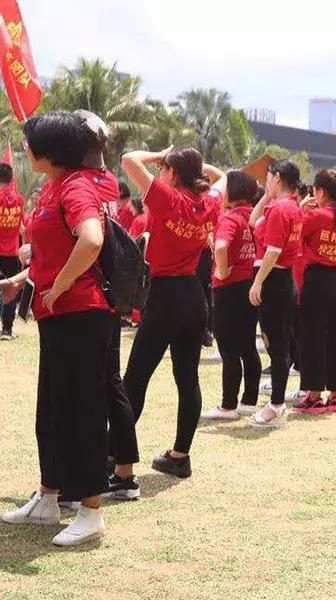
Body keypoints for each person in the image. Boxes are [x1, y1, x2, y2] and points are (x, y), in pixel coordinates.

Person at [0, 112, 112, 545]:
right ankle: (49, 495)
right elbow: (53, 249)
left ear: (48, 150)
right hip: (58, 315)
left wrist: (61, 284)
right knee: (52, 407)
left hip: (82, 313)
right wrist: (23, 280)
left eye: (30, 142)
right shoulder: (53, 187)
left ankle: (90, 510)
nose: (26, 147)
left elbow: (91, 240)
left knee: (82, 408)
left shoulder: (78, 187)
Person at [121, 146, 223, 479]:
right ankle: (180, 456)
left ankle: (113, 457)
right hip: (193, 297)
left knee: (135, 379)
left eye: (165, 168)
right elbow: (223, 177)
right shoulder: (208, 203)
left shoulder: (168, 198)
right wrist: (191, 166)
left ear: (172, 173)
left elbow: (128, 160)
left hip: (164, 296)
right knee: (187, 378)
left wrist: (158, 154)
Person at [77, 110, 141, 500]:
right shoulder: (107, 182)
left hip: (94, 295)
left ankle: (115, 470)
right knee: (112, 381)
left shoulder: (87, 184)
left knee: (102, 384)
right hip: (110, 293)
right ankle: (124, 469)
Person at [290, 170, 336, 414]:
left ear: (322, 192)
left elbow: (294, 233)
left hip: (317, 279)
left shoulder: (316, 216)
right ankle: (335, 396)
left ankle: (314, 395)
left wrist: (301, 208)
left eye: (314, 190)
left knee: (313, 337)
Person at [200, 171, 262, 420]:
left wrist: (223, 270)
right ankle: (249, 401)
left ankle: (228, 406)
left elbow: (223, 246)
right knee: (248, 345)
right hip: (249, 286)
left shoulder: (231, 218)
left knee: (228, 348)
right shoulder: (254, 216)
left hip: (228, 289)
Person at [248, 160, 302, 428]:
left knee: (277, 345)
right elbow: (252, 221)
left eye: (268, 178)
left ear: (278, 177)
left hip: (275, 280)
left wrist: (258, 282)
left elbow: (272, 251)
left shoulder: (282, 210)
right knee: (275, 343)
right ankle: (277, 400)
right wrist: (267, 195)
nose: (265, 181)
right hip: (281, 280)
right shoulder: (286, 206)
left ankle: (276, 404)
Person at [0, 162, 25, 340]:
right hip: (12, 253)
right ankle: (7, 329)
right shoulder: (19, 200)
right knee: (10, 288)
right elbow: (22, 228)